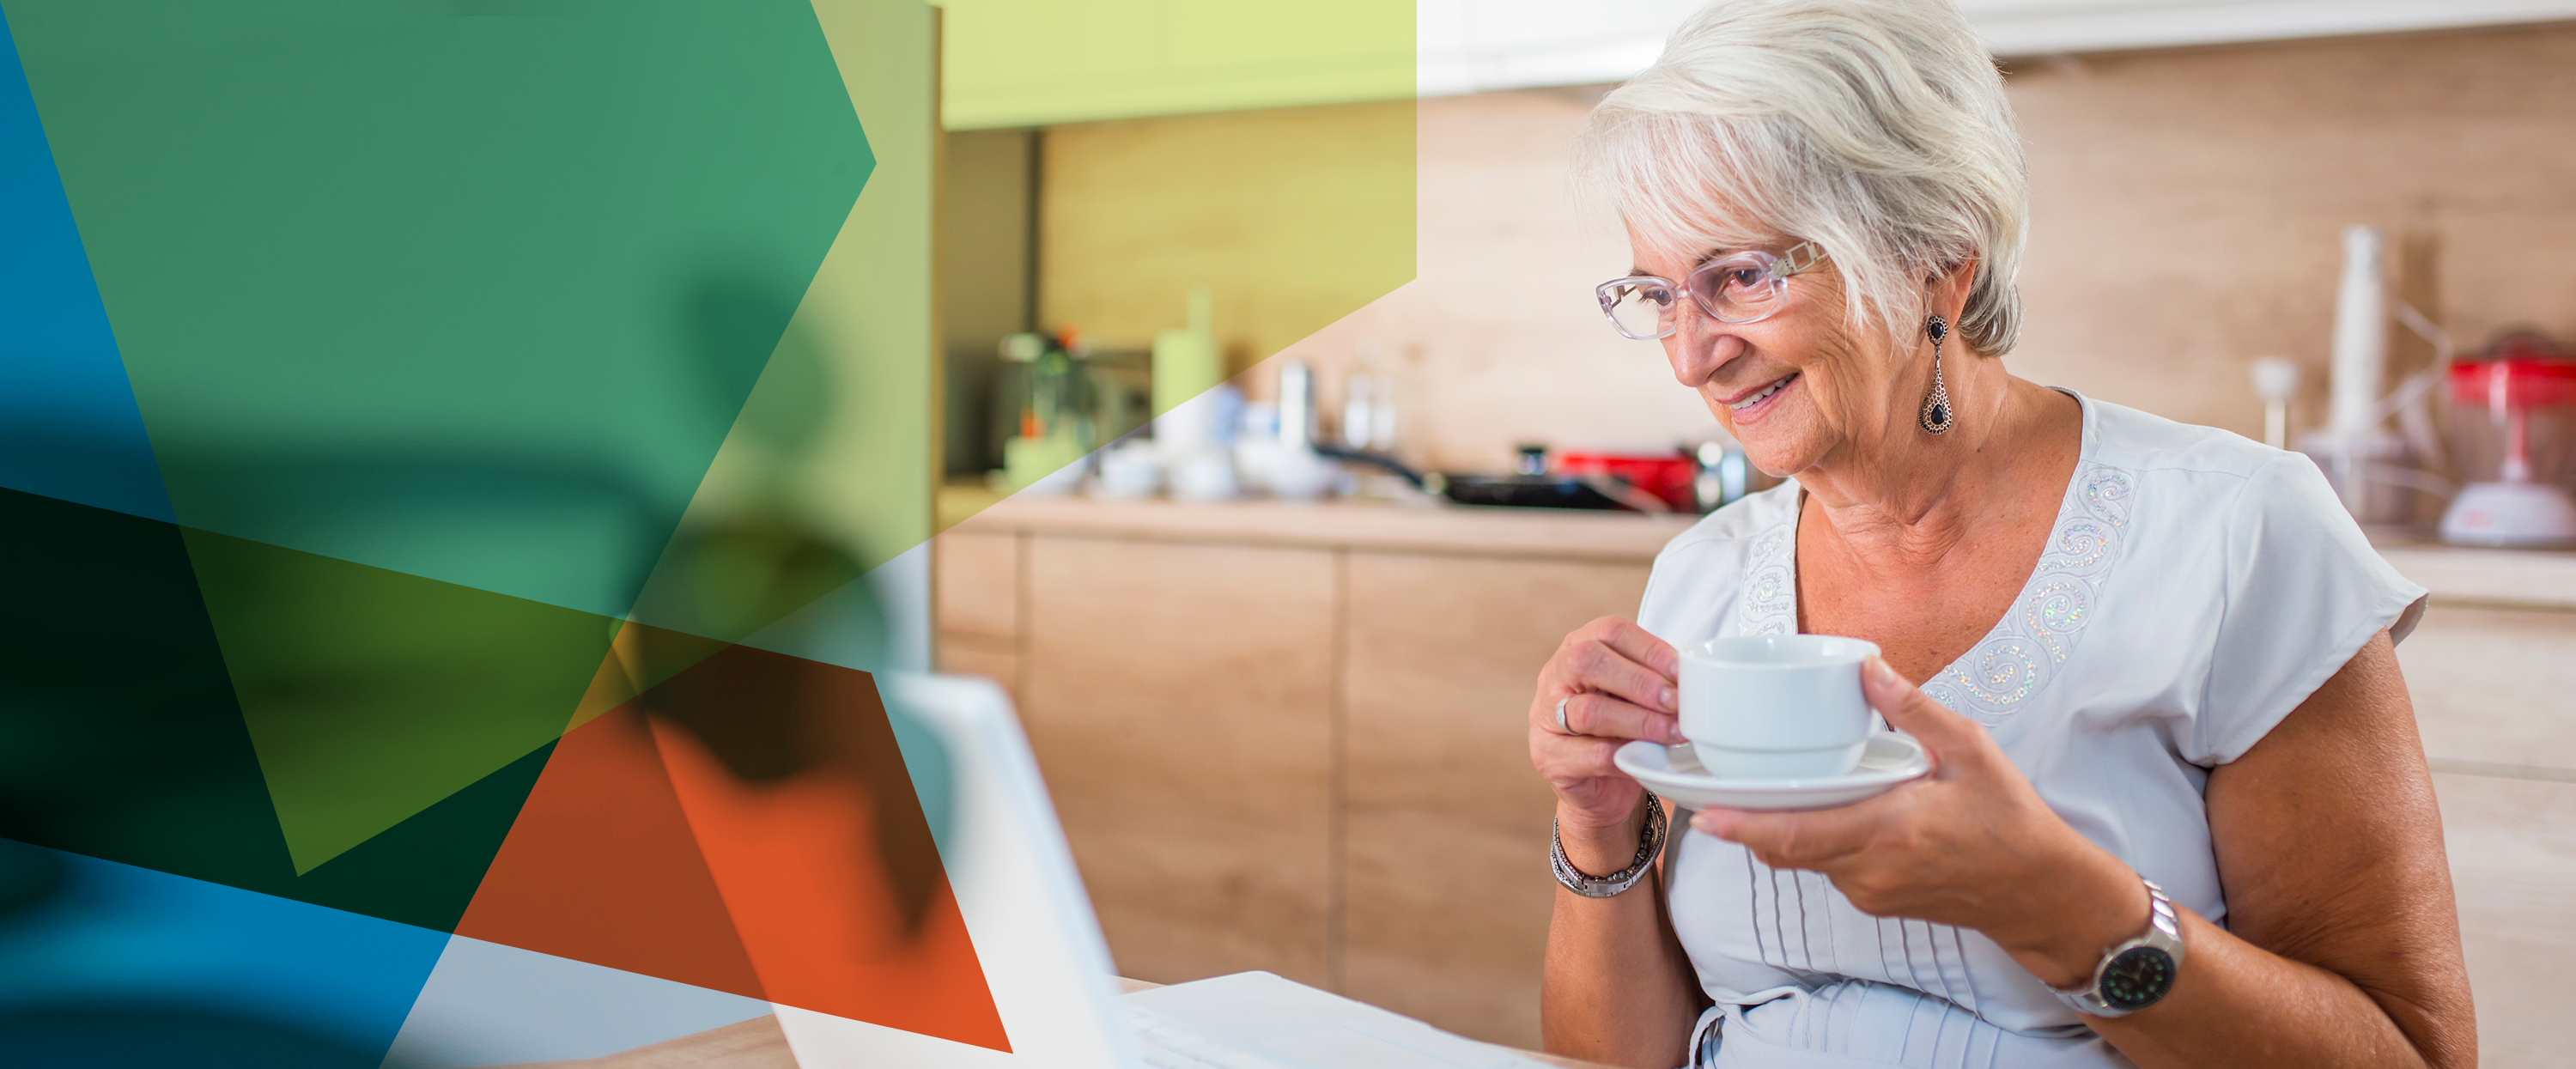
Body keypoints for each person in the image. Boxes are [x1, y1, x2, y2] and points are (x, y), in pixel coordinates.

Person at [1524, 2, 2475, 1066]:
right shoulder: (1703, 578)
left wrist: (2059, 905)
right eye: (1658, 291)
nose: (1692, 356)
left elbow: (2414, 1056)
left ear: (1939, 257)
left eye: (1742, 276)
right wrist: (1599, 827)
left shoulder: (2237, 535)